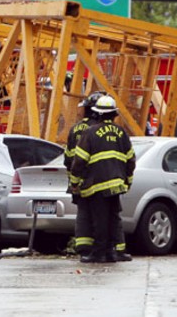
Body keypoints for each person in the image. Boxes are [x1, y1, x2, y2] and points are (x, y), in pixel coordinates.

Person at [70, 95, 136, 264]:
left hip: (96, 185)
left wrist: (74, 183)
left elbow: (79, 161)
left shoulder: (90, 133)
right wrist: (127, 181)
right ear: (114, 115)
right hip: (116, 185)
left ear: (97, 114)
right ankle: (111, 252)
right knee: (113, 218)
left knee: (100, 219)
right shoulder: (122, 133)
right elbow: (130, 160)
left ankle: (99, 253)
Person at [65, 91, 103, 258]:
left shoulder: (75, 128)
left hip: (77, 179)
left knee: (83, 214)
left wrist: (74, 181)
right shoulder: (96, 129)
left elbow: (68, 158)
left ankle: (82, 248)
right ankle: (97, 248)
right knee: (98, 215)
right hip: (94, 179)